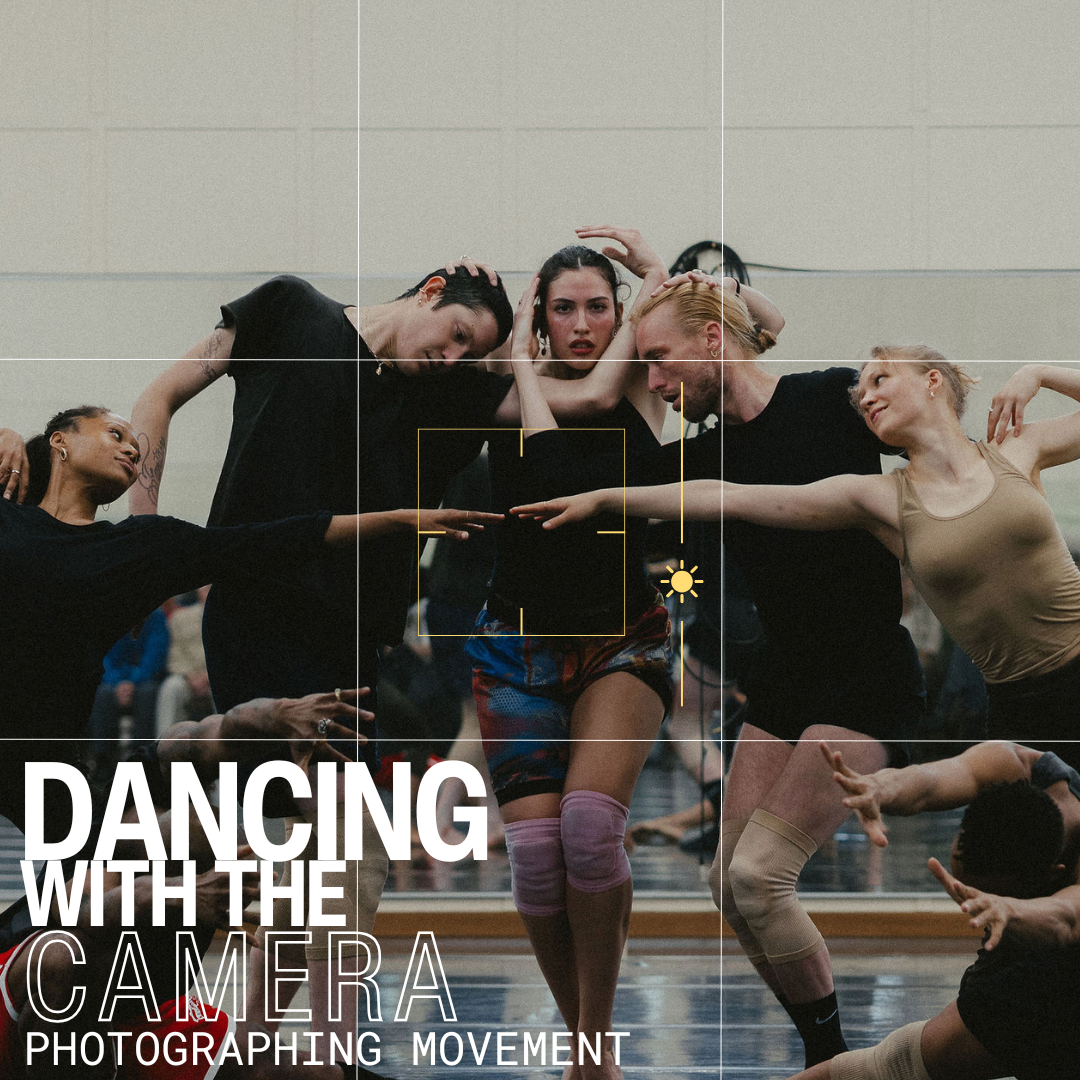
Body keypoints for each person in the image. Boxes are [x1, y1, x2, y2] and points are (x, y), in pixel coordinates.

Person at [128, 256, 643, 1065]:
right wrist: (144, 530)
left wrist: (523, 344)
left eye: (472, 352)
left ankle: (263, 1048)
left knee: (327, 856)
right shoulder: (288, 311)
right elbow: (159, 396)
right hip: (258, 625)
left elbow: (595, 396)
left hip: (352, 645)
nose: (452, 357)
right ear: (431, 291)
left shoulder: (445, 394)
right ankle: (314, 1051)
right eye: (456, 335)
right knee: (343, 850)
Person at [511, 277, 926, 1067]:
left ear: (710, 341)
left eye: (659, 359)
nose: (653, 381)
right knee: (726, 884)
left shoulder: (828, 398)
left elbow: (932, 436)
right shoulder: (710, 454)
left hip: (866, 674)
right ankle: (825, 1056)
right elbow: (572, 485)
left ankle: (833, 1063)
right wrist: (525, 374)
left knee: (761, 878)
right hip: (786, 676)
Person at [466, 228, 676, 1080]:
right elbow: (557, 421)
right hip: (514, 645)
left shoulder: (643, 386)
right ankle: (582, 1043)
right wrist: (516, 360)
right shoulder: (499, 394)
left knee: (589, 829)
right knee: (535, 855)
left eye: (597, 307)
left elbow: (764, 323)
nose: (582, 323)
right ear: (539, 317)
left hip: (621, 638)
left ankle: (595, 1044)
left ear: (620, 316)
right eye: (563, 309)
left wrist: (658, 272)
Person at [2, 688, 366, 1080]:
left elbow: (220, 730)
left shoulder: (165, 773)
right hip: (37, 1014)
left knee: (304, 1072)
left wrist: (276, 715)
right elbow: (77, 909)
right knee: (61, 957)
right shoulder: (96, 847)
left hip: (138, 1015)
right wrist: (173, 893)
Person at [780, 739, 1080, 1080]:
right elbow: (933, 781)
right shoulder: (1021, 767)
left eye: (987, 894)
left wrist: (1009, 910)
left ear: (1052, 874)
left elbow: (1068, 919)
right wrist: (881, 787)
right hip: (1027, 939)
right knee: (898, 1062)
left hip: (1062, 960)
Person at [88, 605, 170, 774]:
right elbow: (103, 655)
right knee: (101, 693)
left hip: (145, 679)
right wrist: (117, 682)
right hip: (113, 681)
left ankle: (141, 757)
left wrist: (133, 681)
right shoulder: (107, 617)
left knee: (147, 693)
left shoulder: (156, 616)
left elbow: (155, 654)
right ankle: (102, 759)